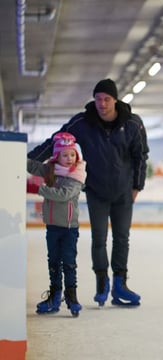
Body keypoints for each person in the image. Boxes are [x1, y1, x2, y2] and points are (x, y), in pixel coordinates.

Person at [28, 79, 149, 307]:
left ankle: (120, 284)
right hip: (96, 191)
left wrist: (137, 187)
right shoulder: (82, 123)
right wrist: (23, 159)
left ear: (115, 100)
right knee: (99, 239)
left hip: (124, 193)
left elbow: (141, 156)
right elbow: (55, 142)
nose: (102, 104)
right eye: (98, 99)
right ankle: (102, 283)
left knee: (122, 238)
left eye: (107, 99)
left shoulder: (133, 124)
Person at [27, 132, 87, 317]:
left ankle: (71, 295)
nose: (69, 159)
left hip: (69, 228)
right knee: (53, 262)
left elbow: (63, 195)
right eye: (65, 155)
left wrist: (38, 189)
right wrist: (14, 152)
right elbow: (32, 166)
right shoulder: (51, 170)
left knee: (68, 263)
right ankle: (55, 295)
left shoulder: (77, 175)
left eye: (72, 154)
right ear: (57, 156)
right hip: (52, 226)